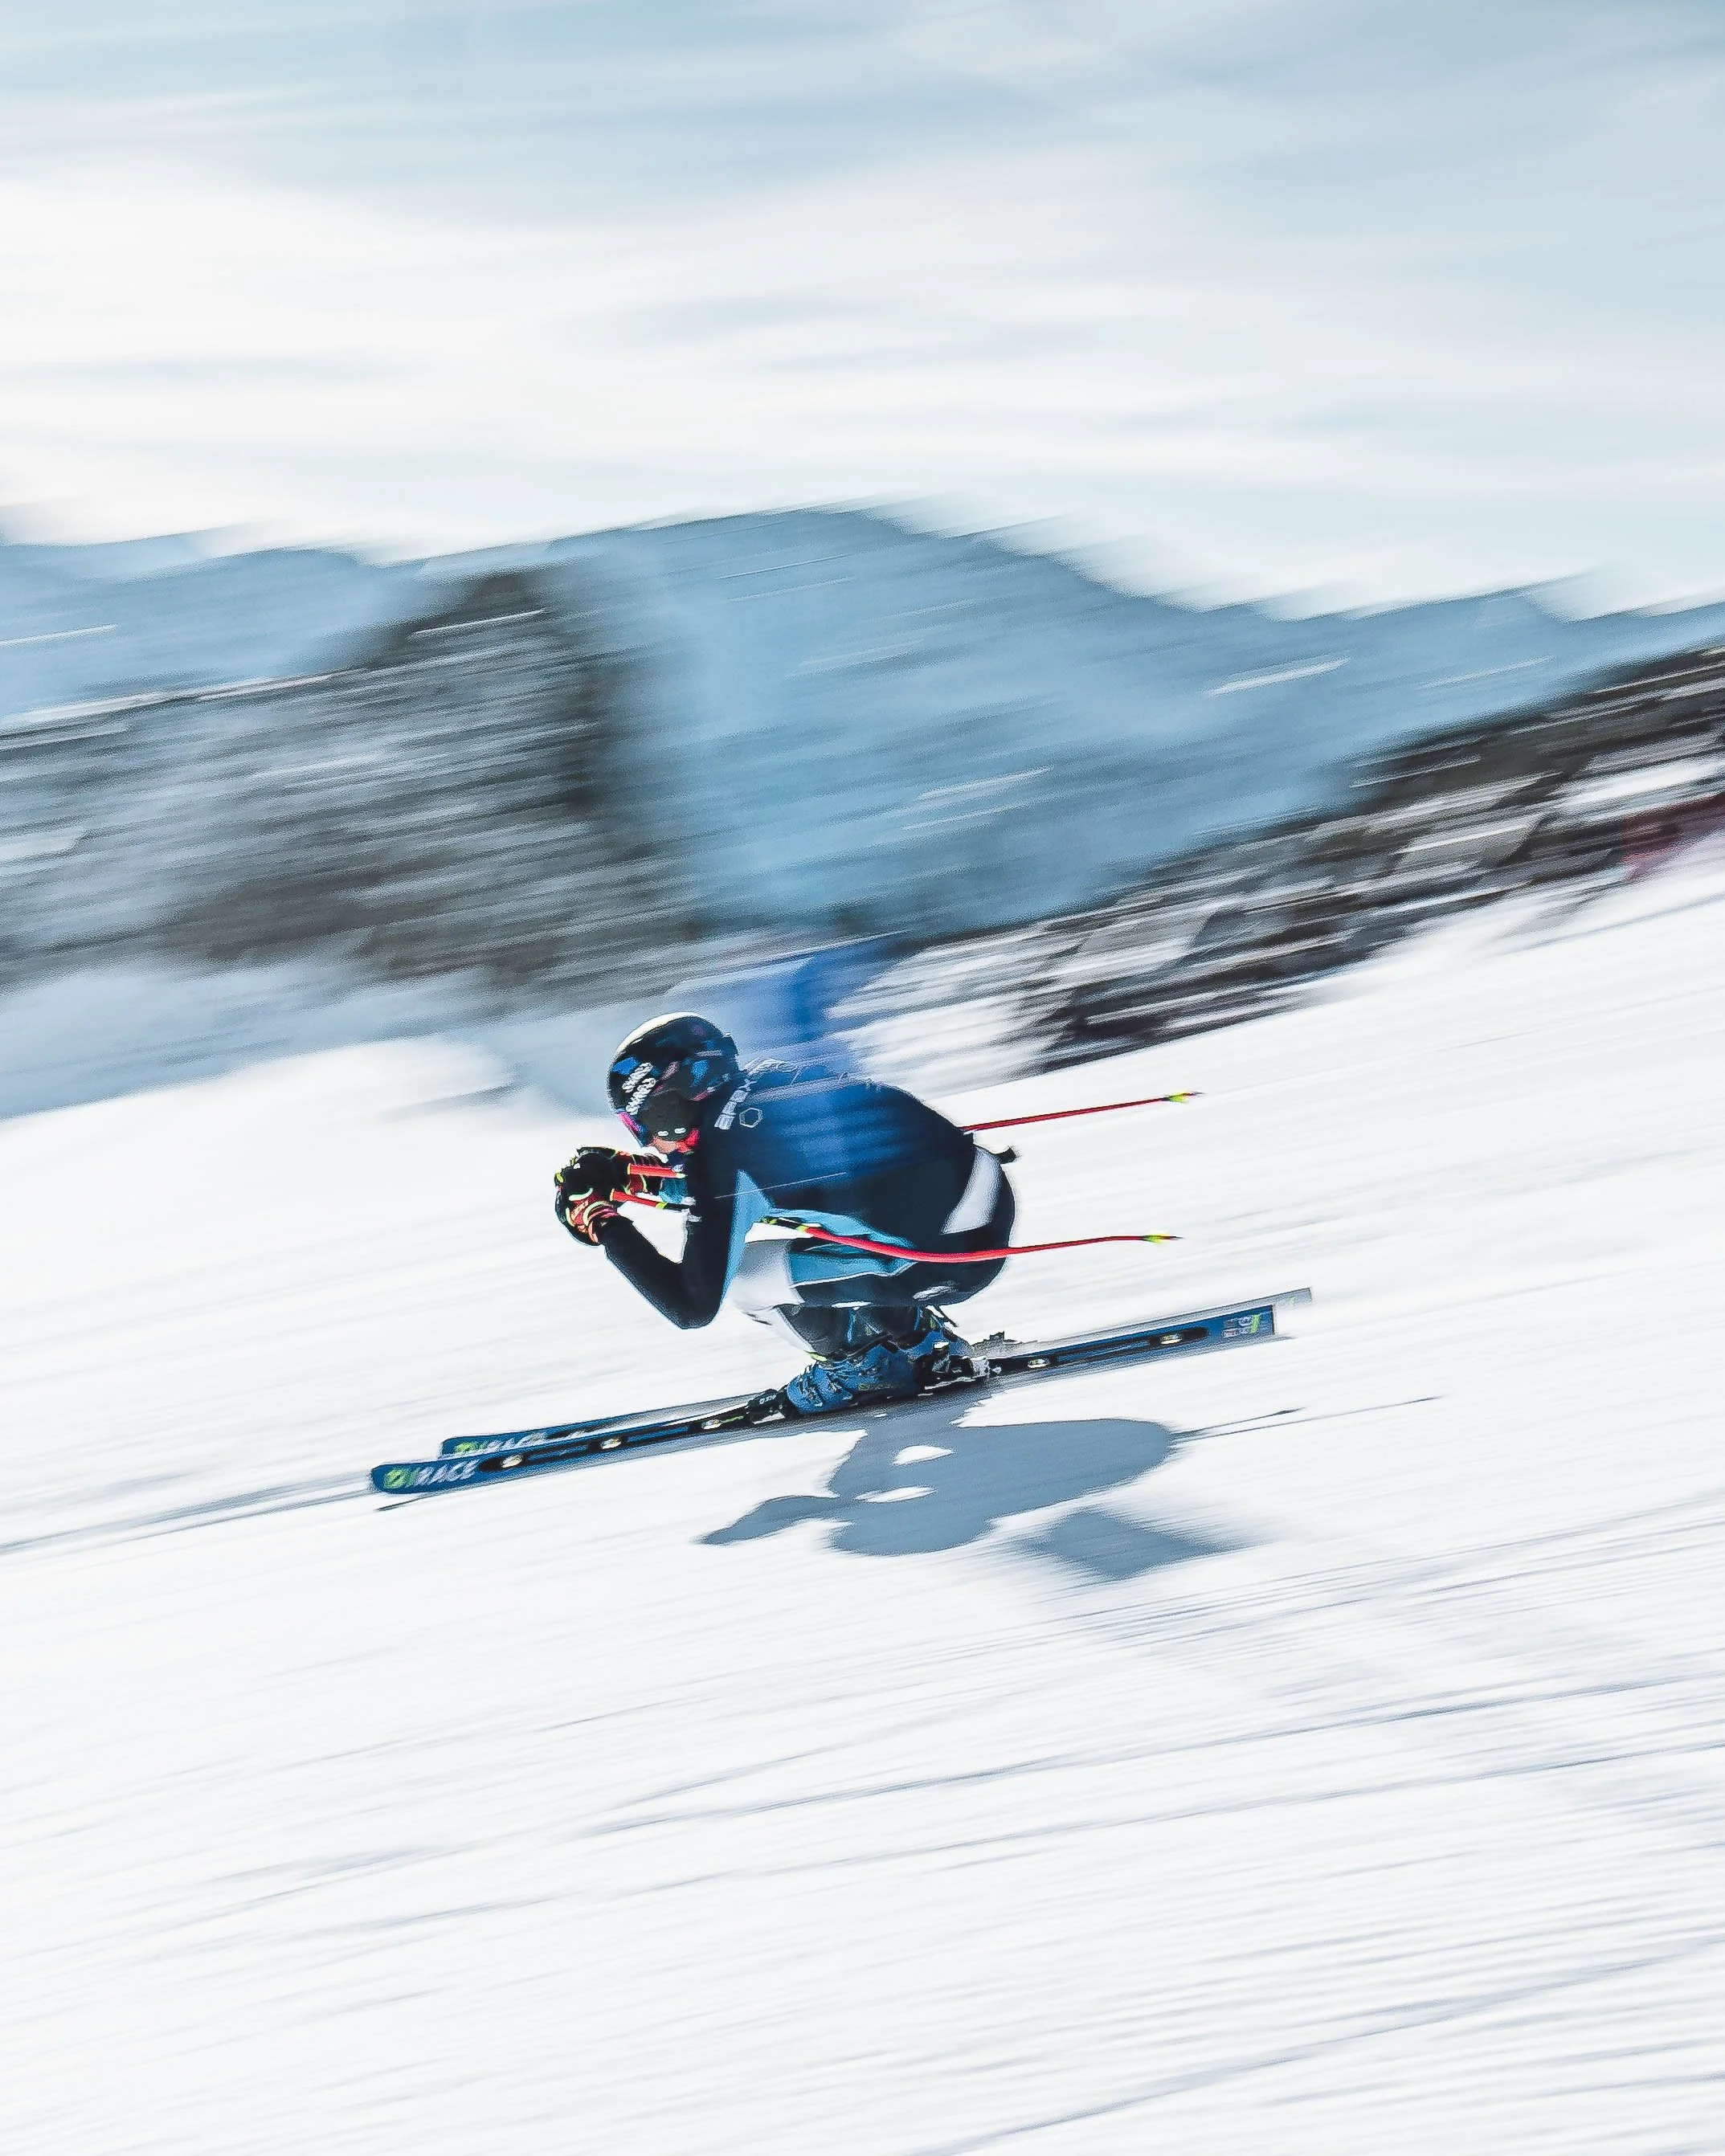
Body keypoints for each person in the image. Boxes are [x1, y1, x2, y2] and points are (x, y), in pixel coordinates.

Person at [552, 1013, 1016, 1415]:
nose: (650, 1143)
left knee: (746, 1280)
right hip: (981, 1212)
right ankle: (920, 1343)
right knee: (846, 1225)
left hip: (947, 1260)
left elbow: (690, 1305)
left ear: (672, 1102)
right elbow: (733, 1190)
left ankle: (862, 1369)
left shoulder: (724, 1157)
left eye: (645, 1124)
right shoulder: (766, 1086)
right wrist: (628, 1177)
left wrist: (602, 1221)